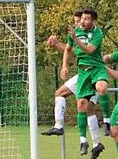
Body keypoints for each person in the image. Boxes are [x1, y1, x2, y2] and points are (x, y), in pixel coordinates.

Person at [42, 9, 105, 146]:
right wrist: (63, 63)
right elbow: (70, 50)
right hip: (83, 73)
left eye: (79, 21)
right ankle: (59, 126)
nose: (78, 24)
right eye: (76, 21)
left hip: (94, 73)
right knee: (61, 94)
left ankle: (96, 142)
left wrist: (58, 44)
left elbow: (83, 50)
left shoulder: (93, 34)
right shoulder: (77, 34)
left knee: (88, 109)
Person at [62, 9, 112, 159]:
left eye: (86, 19)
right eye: (82, 19)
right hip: (83, 72)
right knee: (82, 105)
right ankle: (85, 141)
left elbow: (89, 50)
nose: (82, 22)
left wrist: (76, 39)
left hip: (97, 69)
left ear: (93, 21)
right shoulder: (75, 32)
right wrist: (64, 66)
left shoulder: (97, 33)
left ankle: (107, 121)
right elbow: (68, 49)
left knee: (102, 88)